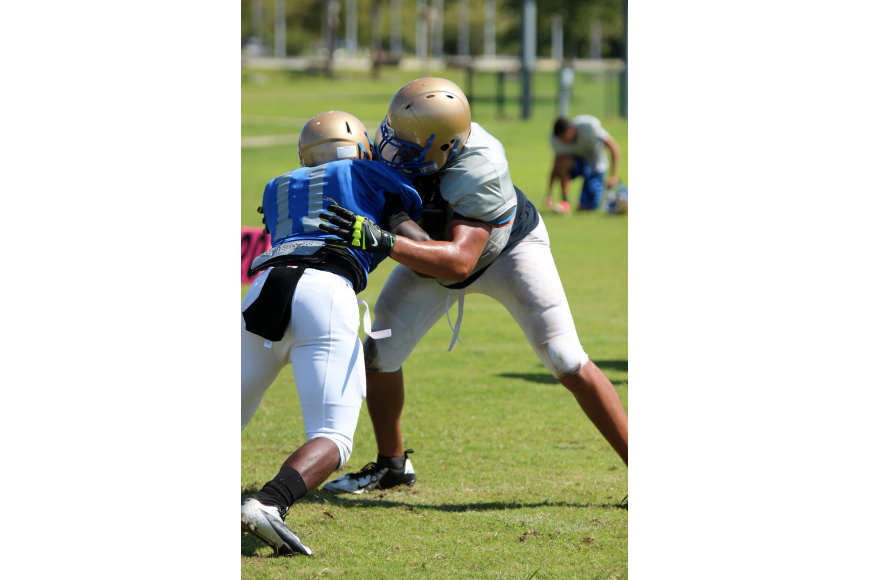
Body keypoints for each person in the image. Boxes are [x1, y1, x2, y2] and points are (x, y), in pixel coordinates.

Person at [321, 78, 628, 496]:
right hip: (430, 256)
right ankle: (393, 465)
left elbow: (461, 259)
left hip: (506, 252)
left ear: (445, 146)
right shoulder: (418, 135)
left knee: (565, 356)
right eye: (391, 135)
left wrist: (387, 241)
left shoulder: (480, 167)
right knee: (378, 350)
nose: (391, 150)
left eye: (406, 145)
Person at [240, 111, 425, 556]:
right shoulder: (371, 173)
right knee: (333, 436)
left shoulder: (279, 183)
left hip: (264, 286)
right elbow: (418, 246)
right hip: (325, 291)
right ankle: (269, 503)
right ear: (360, 148)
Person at [544, 115, 621, 214]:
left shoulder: (589, 127)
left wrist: (613, 176)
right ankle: (565, 201)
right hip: (579, 163)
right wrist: (549, 193)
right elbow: (556, 167)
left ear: (571, 130)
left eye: (564, 138)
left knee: (585, 207)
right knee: (563, 161)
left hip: (595, 166)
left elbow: (614, 147)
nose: (563, 142)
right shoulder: (558, 141)